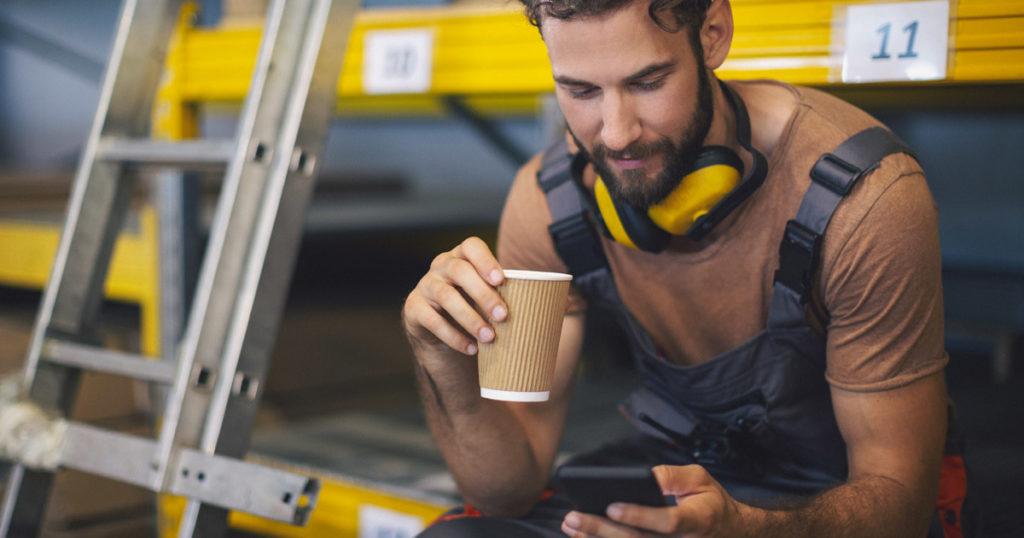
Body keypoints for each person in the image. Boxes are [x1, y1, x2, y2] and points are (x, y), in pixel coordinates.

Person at [401, 0, 969, 536]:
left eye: (648, 83)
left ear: (713, 33)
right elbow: (506, 491)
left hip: (839, 497)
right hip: (682, 473)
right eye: (579, 90)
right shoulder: (551, 203)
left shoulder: (865, 201)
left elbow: (901, 502)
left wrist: (744, 529)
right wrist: (443, 365)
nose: (616, 133)